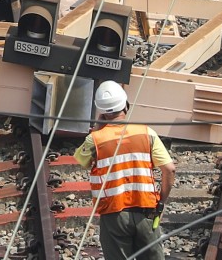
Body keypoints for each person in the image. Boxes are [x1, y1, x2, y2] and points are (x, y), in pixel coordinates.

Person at [74, 81, 176, 260]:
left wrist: (97, 129)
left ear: (102, 113)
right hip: (147, 211)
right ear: (126, 105)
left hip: (114, 214)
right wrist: (161, 201)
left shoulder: (95, 140)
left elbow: (81, 161)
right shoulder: (147, 133)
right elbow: (169, 169)